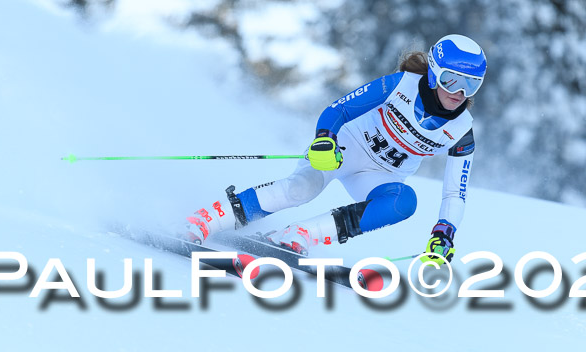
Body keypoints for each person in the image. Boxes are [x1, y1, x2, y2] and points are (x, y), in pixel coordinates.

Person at [186, 34, 487, 264]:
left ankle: (298, 235)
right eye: (451, 80)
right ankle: (205, 220)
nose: (459, 92)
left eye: (470, 85)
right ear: (434, 73)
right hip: (345, 148)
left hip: (377, 176)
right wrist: (325, 138)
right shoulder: (400, 85)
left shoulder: (461, 131)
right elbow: (339, 110)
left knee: (403, 202)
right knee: (302, 188)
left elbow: (454, 193)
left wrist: (444, 232)